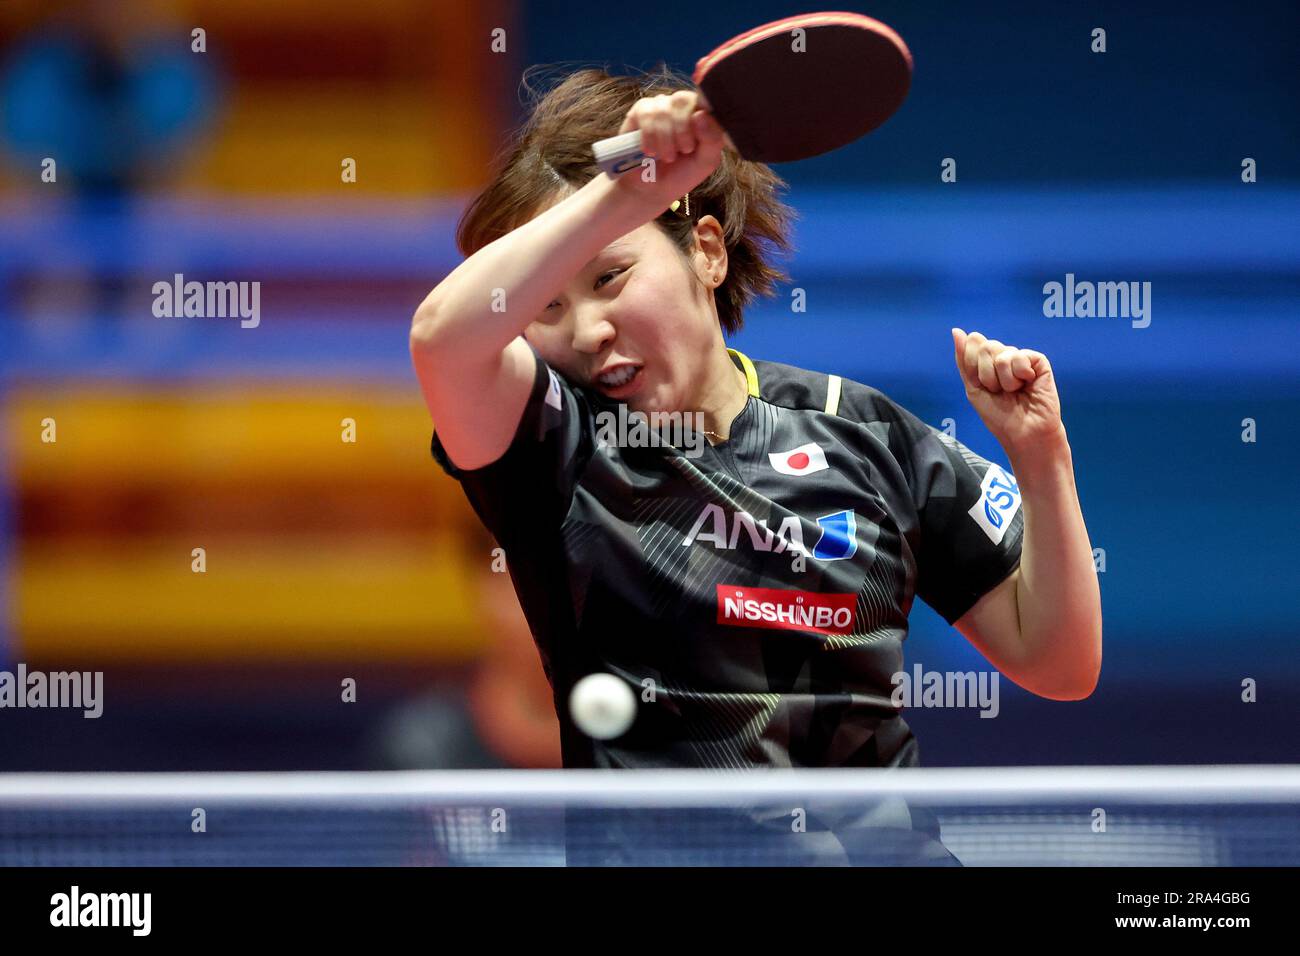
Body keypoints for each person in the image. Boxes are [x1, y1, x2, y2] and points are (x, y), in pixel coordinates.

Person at [409, 67, 1101, 862]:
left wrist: (1041, 455)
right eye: (547, 309)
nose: (589, 331)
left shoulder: (867, 435)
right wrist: (629, 193)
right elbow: (443, 337)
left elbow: (1059, 663)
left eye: (611, 276)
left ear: (706, 253)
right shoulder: (552, 451)